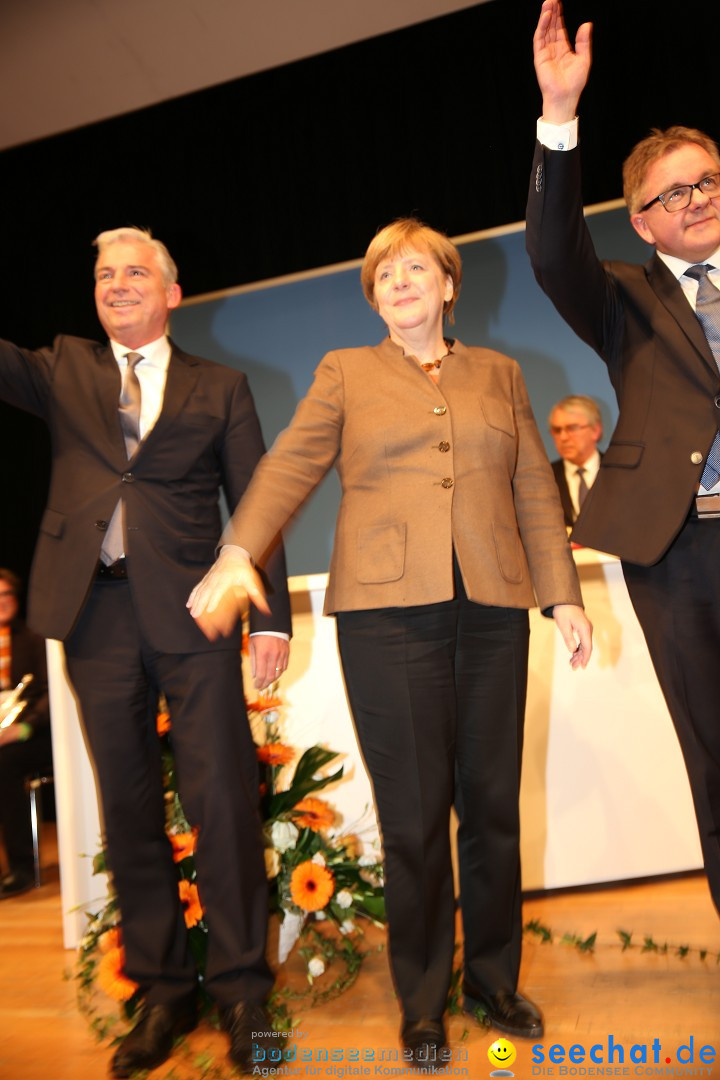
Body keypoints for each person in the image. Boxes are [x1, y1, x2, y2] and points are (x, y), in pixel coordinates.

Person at [188, 218, 592, 1054]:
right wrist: (237, 552)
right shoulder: (345, 373)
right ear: (372, 297)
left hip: (490, 610)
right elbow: (289, 464)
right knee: (413, 820)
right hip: (385, 619)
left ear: (449, 285)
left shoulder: (501, 374)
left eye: (417, 267)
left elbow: (530, 493)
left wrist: (562, 596)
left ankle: (492, 981)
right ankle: (421, 1001)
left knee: (491, 810)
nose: (399, 281)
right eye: (383, 274)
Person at [0, 227, 292, 1077]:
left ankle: (244, 992)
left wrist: (268, 621)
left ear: (171, 291)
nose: (117, 284)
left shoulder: (222, 385)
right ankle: (163, 992)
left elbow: (258, 501)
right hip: (93, 616)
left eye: (135, 273)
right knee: (126, 809)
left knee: (224, 805)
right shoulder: (63, 368)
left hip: (195, 614)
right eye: (103, 274)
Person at [528, 2, 720, 920]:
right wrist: (558, 116)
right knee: (715, 752)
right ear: (642, 223)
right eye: (674, 193)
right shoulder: (625, 302)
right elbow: (553, 250)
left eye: (708, 181)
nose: (697, 199)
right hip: (683, 553)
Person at [0, 567, 52, 899]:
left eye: (5, 595)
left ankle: (20, 868)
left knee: (3, 761)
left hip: (32, 735)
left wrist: (23, 728)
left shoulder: (34, 637)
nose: (1, 602)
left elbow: (51, 694)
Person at [548, 395, 603, 526]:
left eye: (572, 428)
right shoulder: (546, 477)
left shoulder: (620, 474)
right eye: (557, 430)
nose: (563, 437)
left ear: (595, 430)